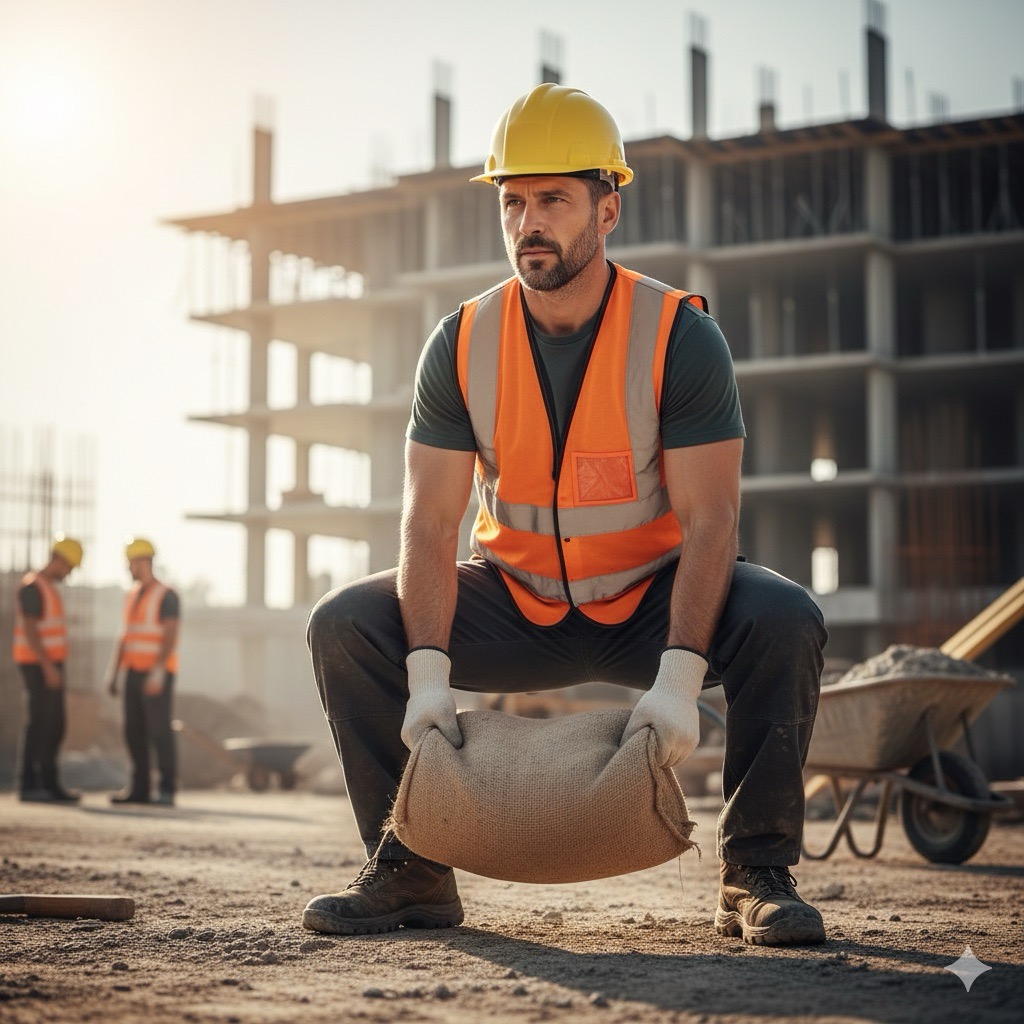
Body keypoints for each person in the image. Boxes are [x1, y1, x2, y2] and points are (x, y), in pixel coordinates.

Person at [303, 83, 828, 946]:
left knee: (785, 617)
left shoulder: (678, 336)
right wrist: (429, 674)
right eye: (512, 201)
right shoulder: (463, 341)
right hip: (516, 602)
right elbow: (429, 526)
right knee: (344, 625)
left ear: (607, 209)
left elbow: (711, 523)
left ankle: (754, 873)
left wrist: (681, 678)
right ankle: (410, 867)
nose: (527, 222)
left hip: (648, 607)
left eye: (552, 199)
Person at [106, 537, 181, 806]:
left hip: (156, 674)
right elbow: (126, 635)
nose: (128, 568)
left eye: (130, 563)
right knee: (134, 732)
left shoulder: (167, 595)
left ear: (142, 561)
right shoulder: (132, 595)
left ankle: (167, 789)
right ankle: (139, 790)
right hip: (133, 673)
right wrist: (114, 673)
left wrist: (158, 671)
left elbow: (170, 634)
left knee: (160, 731)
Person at [12, 534, 84, 803]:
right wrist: (47, 666)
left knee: (55, 725)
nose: (69, 573)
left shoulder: (48, 587)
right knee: (39, 724)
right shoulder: (33, 586)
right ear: (59, 560)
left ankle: (50, 785)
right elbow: (30, 630)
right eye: (69, 567)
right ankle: (29, 785)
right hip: (37, 664)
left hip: (51, 664)